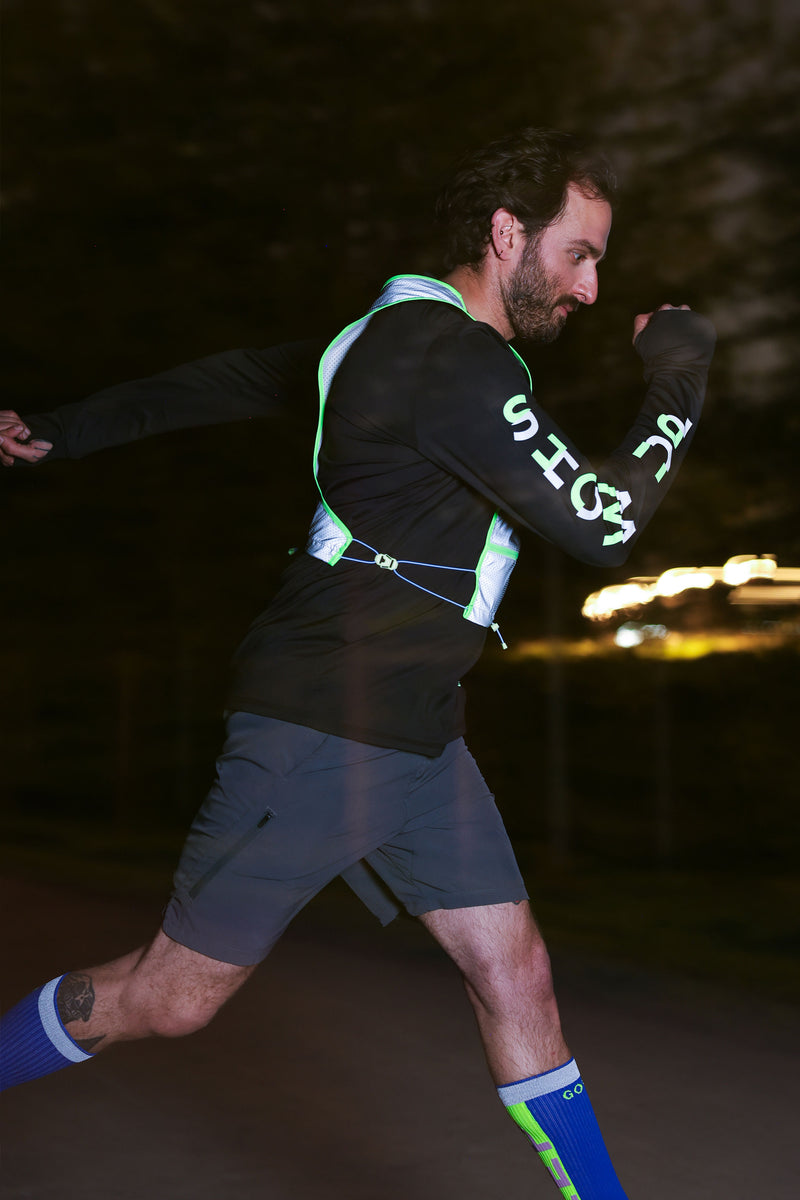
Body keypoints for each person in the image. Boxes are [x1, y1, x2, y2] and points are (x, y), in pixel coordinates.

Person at [0, 128, 716, 1198]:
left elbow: (239, 377)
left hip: (413, 723)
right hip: (327, 719)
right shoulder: (443, 357)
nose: (589, 287)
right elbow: (602, 524)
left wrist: (69, 427)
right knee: (169, 999)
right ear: (506, 233)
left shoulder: (393, 342)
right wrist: (679, 380)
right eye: (579, 254)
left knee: (514, 972)